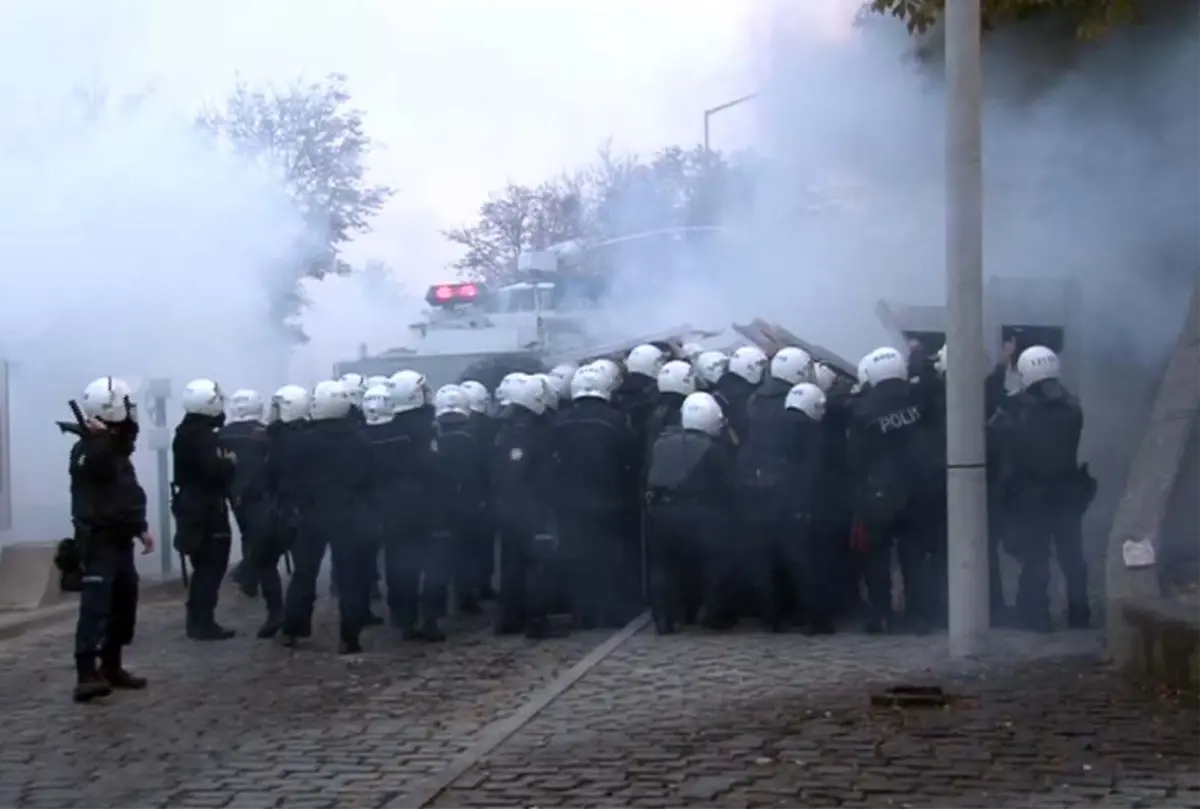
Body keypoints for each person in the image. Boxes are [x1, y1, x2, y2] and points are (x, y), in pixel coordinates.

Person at [69, 376, 154, 702]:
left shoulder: (115, 449)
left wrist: (140, 526)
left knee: (123, 604)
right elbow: (98, 473)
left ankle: (112, 665)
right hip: (99, 539)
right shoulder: (88, 450)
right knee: (95, 608)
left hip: (120, 538)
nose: (132, 412)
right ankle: (86, 673)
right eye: (127, 405)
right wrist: (99, 441)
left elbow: (126, 493)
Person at [994, 345, 1090, 631]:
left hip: (1033, 496)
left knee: (1036, 557)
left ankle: (1036, 614)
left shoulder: (1017, 411)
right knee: (1072, 556)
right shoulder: (1074, 408)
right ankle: (1079, 612)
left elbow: (997, 431)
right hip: (1068, 494)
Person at [645, 391, 735, 633]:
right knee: (714, 564)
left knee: (663, 567)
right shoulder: (714, 450)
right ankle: (712, 614)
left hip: (662, 512)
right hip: (700, 514)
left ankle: (664, 618)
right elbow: (727, 485)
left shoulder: (661, 443)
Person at [173, 378, 237, 641]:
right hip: (206, 509)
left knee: (204, 566)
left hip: (191, 506)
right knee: (211, 566)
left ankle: (199, 620)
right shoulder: (203, 437)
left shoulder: (184, 432)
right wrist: (229, 464)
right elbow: (212, 471)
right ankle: (202, 622)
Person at [219, 389, 283, 637]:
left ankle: (249, 577)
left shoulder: (222, 435)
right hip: (263, 498)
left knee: (251, 538)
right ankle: (252, 578)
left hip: (235, 498)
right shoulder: (265, 434)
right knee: (264, 551)